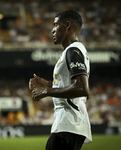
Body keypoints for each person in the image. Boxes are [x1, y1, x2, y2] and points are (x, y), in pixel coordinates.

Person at [29, 10, 92, 150]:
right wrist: (46, 84)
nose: (52, 30)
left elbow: (82, 88)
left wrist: (46, 91)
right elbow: (70, 84)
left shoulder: (73, 51)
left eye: (56, 25)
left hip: (69, 124)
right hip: (69, 124)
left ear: (67, 25)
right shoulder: (73, 51)